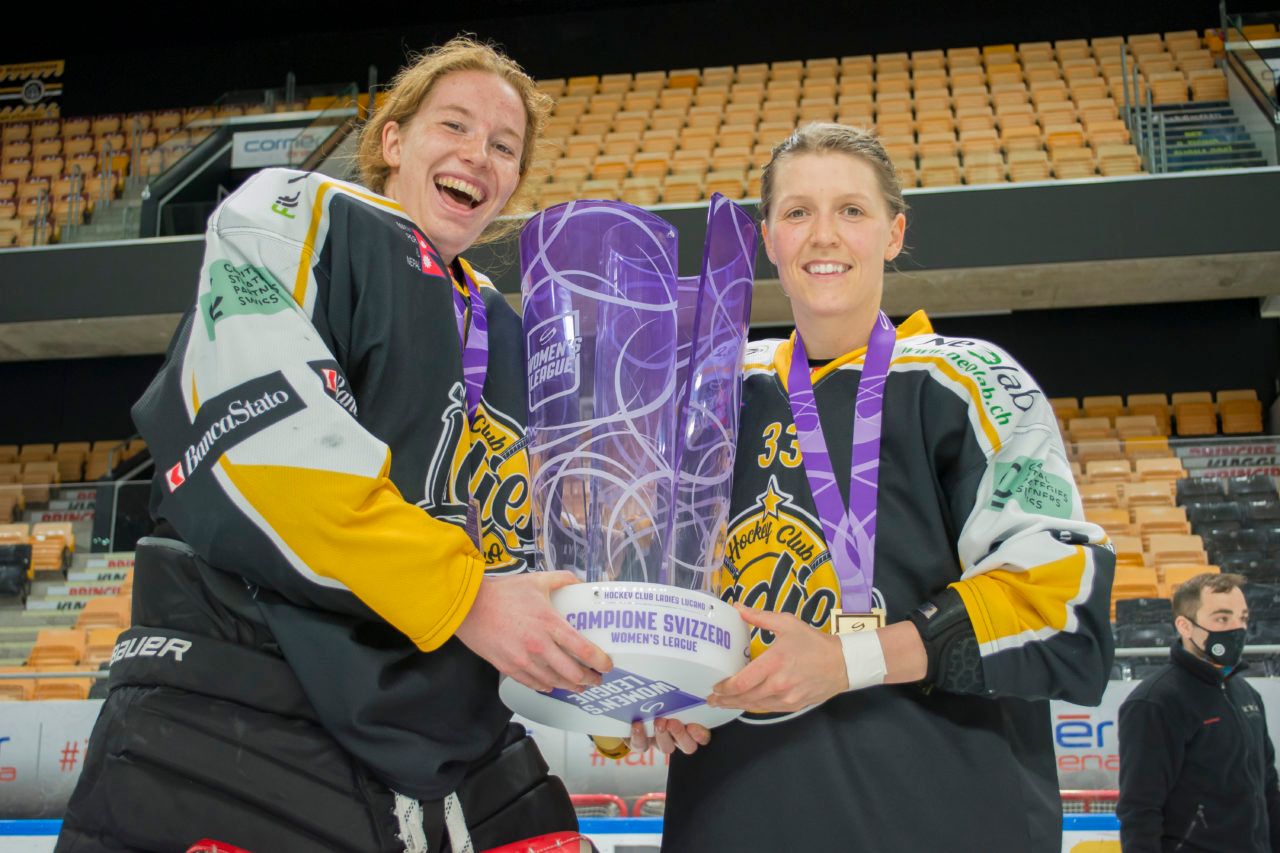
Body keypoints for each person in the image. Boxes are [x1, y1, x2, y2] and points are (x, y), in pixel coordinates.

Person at [57, 37, 610, 853]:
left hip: (441, 729)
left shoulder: (506, 325)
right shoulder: (296, 212)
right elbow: (271, 448)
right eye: (453, 125)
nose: (477, 156)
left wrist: (621, 681)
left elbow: (528, 548)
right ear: (393, 141)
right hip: (244, 707)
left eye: (503, 146)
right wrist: (466, 598)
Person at [617, 123, 1116, 851]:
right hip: (735, 817)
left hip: (941, 818)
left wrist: (849, 659)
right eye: (797, 213)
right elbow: (665, 588)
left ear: (894, 232)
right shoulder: (717, 387)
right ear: (768, 238)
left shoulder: (963, 379)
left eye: (851, 210)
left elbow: (1062, 605)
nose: (824, 236)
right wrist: (658, 683)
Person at [1117, 572, 1280, 852]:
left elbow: (1267, 787)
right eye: (1221, 618)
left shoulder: (1246, 694)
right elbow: (1140, 809)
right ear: (1185, 626)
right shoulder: (1154, 702)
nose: (1237, 629)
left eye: (1242, 618)